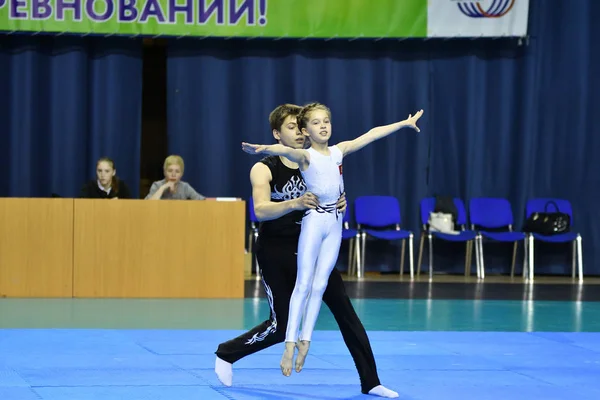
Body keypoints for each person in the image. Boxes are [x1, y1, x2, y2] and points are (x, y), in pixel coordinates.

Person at [215, 104, 399, 398]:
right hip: (276, 249)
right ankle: (227, 353)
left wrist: (341, 201)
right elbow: (260, 210)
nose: (299, 133)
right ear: (276, 135)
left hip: (311, 246)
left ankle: (371, 380)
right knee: (281, 326)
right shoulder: (264, 167)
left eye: (301, 128)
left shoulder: (316, 160)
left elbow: (333, 189)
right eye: (291, 128)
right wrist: (294, 203)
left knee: (346, 312)